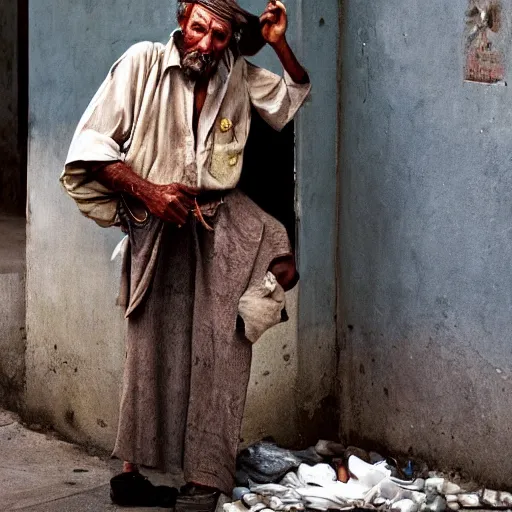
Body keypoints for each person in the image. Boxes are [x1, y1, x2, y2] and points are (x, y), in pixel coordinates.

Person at [60, 0, 311, 508]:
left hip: (217, 210)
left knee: (273, 269)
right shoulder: (143, 63)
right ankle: (131, 475)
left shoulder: (234, 72)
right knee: (150, 339)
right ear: (183, 21)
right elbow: (92, 148)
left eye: (220, 36)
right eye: (199, 30)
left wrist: (279, 42)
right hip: (156, 213)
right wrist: (149, 194)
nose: (207, 44)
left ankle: (206, 473)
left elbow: (290, 99)